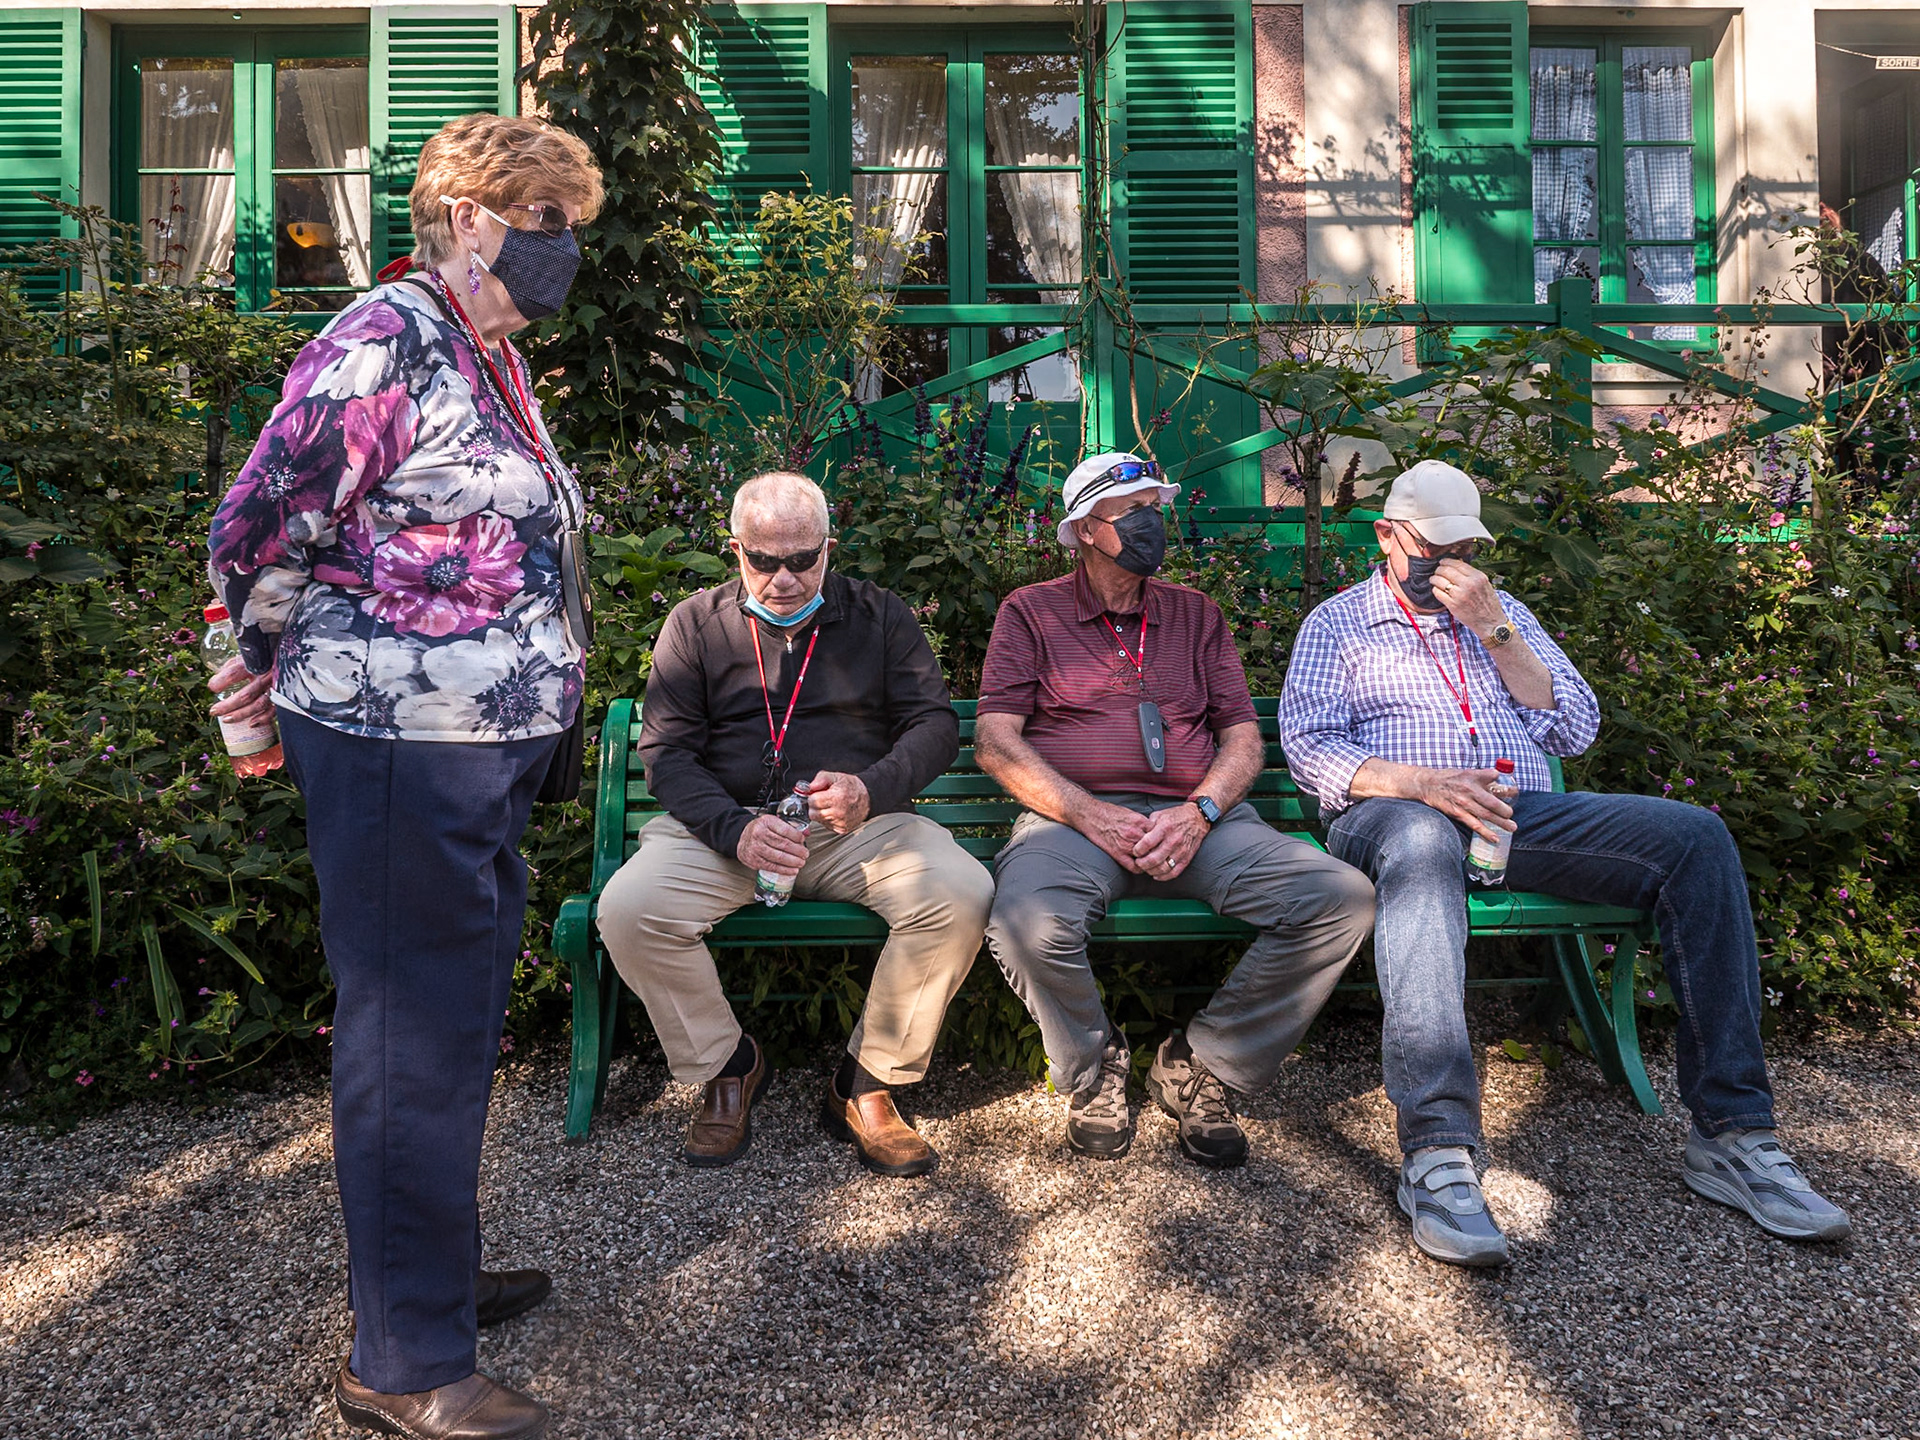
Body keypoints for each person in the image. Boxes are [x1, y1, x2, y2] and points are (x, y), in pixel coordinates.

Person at [207, 114, 603, 1440]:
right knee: (410, 1046)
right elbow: (256, 534)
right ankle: (403, 1362)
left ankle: (417, 1285)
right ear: (478, 219)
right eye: (551, 225)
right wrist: (253, 707)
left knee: (450, 1032)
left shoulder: (484, 354)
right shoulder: (383, 337)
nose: (567, 253)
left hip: (474, 758)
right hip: (393, 750)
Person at [1278, 458, 1852, 1267]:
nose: (1448, 563)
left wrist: (1497, 633)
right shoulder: (1337, 625)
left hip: (1517, 816)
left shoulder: (1503, 614)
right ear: (1386, 536)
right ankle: (1439, 1156)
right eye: (1431, 546)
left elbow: (1574, 728)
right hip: (1392, 811)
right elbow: (1311, 751)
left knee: (1695, 838)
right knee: (1420, 841)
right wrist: (1424, 786)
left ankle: (1733, 1135)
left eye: (1463, 547)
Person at [976, 453, 1375, 1168]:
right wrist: (1089, 814)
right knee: (1024, 923)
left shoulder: (1196, 614)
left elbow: (1243, 740)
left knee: (1338, 897)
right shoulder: (1029, 612)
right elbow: (996, 742)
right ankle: (1095, 1067)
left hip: (1195, 821)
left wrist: (1201, 812)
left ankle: (1201, 1064)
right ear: (1088, 531)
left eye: (1153, 507)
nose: (1150, 523)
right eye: (1131, 512)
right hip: (1073, 824)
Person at [596, 471, 992, 1179]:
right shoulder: (693, 623)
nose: (783, 578)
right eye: (763, 560)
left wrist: (872, 788)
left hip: (852, 830)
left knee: (958, 891)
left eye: (803, 559)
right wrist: (732, 828)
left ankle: (868, 1081)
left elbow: (934, 724)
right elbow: (666, 753)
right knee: (630, 910)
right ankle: (729, 1064)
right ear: (735, 551)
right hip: (727, 834)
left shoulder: (879, 615)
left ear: (829, 549)